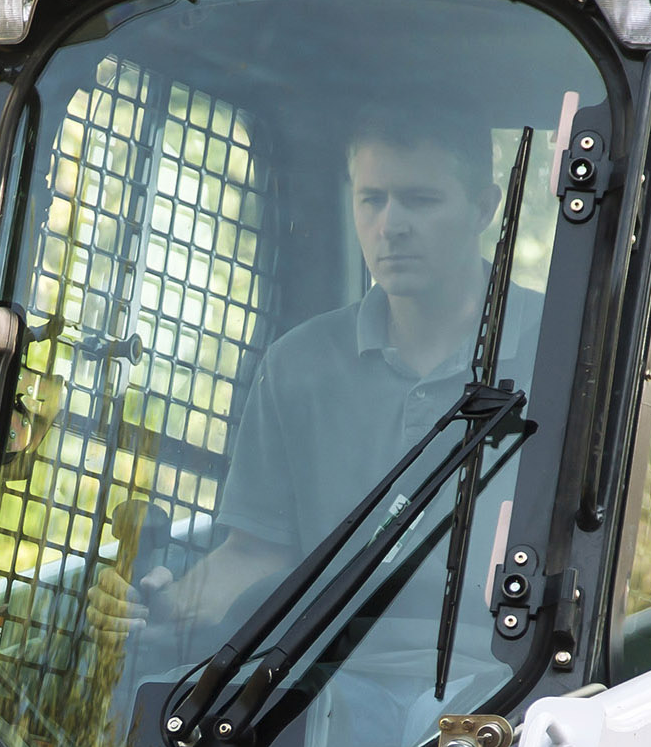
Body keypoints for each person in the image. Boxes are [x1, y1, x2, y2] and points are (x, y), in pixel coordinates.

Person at [91, 112, 532, 647]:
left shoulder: (555, 349)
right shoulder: (297, 365)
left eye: (420, 200)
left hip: (503, 687)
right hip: (315, 685)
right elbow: (257, 555)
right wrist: (156, 604)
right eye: (372, 199)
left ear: (483, 208)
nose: (390, 224)